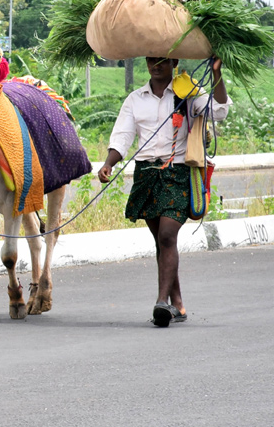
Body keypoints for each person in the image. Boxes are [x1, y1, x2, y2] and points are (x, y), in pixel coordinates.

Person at [98, 56, 231, 327]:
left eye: (161, 61)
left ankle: (161, 302)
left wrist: (217, 74)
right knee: (162, 240)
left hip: (178, 173)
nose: (155, 65)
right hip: (146, 175)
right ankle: (178, 304)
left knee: (168, 235)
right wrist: (108, 164)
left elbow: (219, 110)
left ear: (174, 62)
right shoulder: (135, 99)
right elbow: (122, 135)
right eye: (151, 60)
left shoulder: (188, 93)